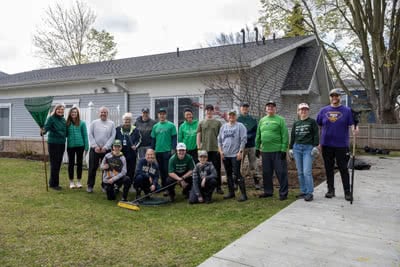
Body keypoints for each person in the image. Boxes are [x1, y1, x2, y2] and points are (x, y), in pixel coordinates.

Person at [316, 89, 358, 201]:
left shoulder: (347, 111)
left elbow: (354, 124)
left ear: (340, 97)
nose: (334, 98)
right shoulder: (323, 111)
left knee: (343, 168)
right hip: (326, 144)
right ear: (330, 97)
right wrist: (320, 142)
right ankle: (330, 190)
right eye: (332, 96)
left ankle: (347, 192)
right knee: (329, 168)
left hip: (341, 145)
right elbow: (319, 126)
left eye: (337, 96)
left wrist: (355, 128)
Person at [255, 100, 289, 201]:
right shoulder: (262, 120)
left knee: (281, 172)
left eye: (272, 106)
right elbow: (258, 135)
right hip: (265, 151)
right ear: (265, 108)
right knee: (266, 172)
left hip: (278, 151)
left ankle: (283, 193)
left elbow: (285, 135)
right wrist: (257, 148)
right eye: (268, 106)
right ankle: (268, 192)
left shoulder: (280, 120)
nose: (270, 108)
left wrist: (284, 149)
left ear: (275, 109)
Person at [289, 103, 319, 202]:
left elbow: (316, 135)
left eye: (305, 109)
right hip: (297, 148)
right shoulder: (296, 123)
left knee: (307, 171)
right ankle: (303, 191)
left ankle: (309, 193)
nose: (303, 111)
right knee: (300, 172)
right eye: (301, 109)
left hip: (308, 148)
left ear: (308, 111)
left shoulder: (312, 122)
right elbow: (293, 136)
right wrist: (290, 148)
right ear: (298, 111)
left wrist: (315, 146)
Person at [218, 109, 248, 202]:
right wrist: (221, 152)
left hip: (235, 154)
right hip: (225, 155)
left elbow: (243, 140)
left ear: (236, 116)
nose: (231, 116)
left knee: (237, 174)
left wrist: (240, 152)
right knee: (228, 174)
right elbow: (219, 141)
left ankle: (244, 195)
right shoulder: (223, 127)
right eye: (230, 115)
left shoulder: (240, 126)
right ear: (227, 116)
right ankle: (231, 193)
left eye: (233, 115)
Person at [87, 107, 116, 193]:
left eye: (105, 112)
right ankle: (90, 186)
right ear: (99, 113)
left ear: (107, 114)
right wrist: (95, 146)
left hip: (106, 150)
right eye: (102, 112)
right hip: (94, 149)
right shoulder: (94, 123)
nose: (103, 114)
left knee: (106, 168)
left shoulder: (111, 123)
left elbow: (112, 136)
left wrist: (106, 147)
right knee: (92, 168)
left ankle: (105, 185)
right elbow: (90, 134)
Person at [197, 104, 224, 194]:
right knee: (204, 169)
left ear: (213, 111)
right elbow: (198, 134)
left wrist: (221, 148)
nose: (209, 111)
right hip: (204, 150)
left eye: (210, 110)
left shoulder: (217, 123)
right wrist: (198, 146)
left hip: (215, 149)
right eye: (207, 110)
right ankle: (205, 184)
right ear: (205, 111)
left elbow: (221, 136)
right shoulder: (201, 123)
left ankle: (218, 187)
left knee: (217, 168)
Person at [41, 104, 67, 190]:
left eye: (62, 110)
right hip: (53, 144)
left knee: (58, 163)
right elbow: (46, 128)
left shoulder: (63, 120)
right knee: (54, 164)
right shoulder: (51, 119)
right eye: (59, 109)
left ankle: (54, 183)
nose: (60, 111)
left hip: (61, 144)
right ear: (55, 110)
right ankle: (54, 184)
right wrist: (43, 131)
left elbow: (66, 132)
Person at [151, 108, 177, 189]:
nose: (162, 115)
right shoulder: (155, 126)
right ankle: (163, 185)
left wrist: (173, 149)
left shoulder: (171, 125)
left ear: (166, 115)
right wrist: (152, 150)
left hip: (167, 151)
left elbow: (174, 138)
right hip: (158, 151)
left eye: (163, 114)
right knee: (160, 169)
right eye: (160, 114)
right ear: (158, 115)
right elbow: (153, 139)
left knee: (167, 169)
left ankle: (168, 187)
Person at [237, 102, 260, 189]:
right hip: (240, 147)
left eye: (246, 107)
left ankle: (257, 182)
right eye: (243, 107)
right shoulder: (238, 120)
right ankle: (237, 182)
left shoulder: (253, 120)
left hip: (251, 145)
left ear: (248, 109)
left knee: (253, 165)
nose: (245, 109)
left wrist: (249, 136)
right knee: (239, 165)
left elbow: (256, 132)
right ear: (240, 108)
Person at [66, 106, 89, 189]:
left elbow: (85, 135)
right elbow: (64, 134)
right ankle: (71, 182)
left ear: (77, 113)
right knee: (71, 164)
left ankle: (79, 181)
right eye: (72, 112)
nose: (73, 114)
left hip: (80, 146)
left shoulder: (82, 123)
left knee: (79, 164)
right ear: (70, 114)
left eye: (75, 112)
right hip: (70, 146)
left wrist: (86, 146)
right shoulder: (67, 123)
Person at [115, 112, 141, 181]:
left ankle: (129, 183)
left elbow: (139, 139)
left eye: (128, 119)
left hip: (131, 152)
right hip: (120, 152)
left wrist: (135, 146)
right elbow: (114, 139)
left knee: (131, 168)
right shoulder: (118, 129)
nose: (127, 121)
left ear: (131, 121)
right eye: (125, 119)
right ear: (123, 120)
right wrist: (116, 148)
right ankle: (118, 184)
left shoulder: (135, 129)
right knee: (120, 168)